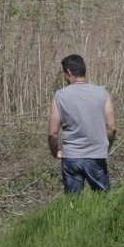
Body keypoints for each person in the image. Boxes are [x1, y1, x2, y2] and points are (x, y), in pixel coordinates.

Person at [48, 54, 116, 193]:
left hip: (71, 156)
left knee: (73, 202)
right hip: (96, 155)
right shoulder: (102, 93)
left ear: (68, 72)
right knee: (104, 200)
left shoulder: (60, 96)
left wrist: (55, 152)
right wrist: (105, 147)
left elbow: (53, 133)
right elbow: (112, 128)